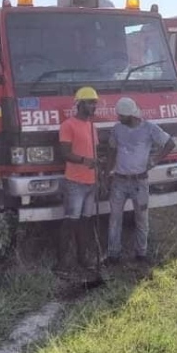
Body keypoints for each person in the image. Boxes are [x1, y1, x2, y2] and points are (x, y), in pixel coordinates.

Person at [105, 97, 175, 264]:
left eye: (121, 115)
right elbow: (111, 150)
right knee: (115, 219)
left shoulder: (150, 128)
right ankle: (113, 254)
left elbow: (170, 143)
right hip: (119, 181)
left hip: (140, 182)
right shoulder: (117, 129)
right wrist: (107, 172)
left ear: (131, 115)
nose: (118, 118)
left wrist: (155, 160)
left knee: (142, 218)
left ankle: (141, 254)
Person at [57, 86, 103, 283]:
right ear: (80, 104)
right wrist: (85, 161)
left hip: (91, 182)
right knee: (70, 222)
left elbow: (95, 153)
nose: (94, 106)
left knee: (85, 222)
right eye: (90, 103)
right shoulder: (68, 125)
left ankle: (83, 259)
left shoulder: (92, 127)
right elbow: (65, 153)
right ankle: (62, 263)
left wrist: (99, 174)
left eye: (95, 103)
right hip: (75, 182)